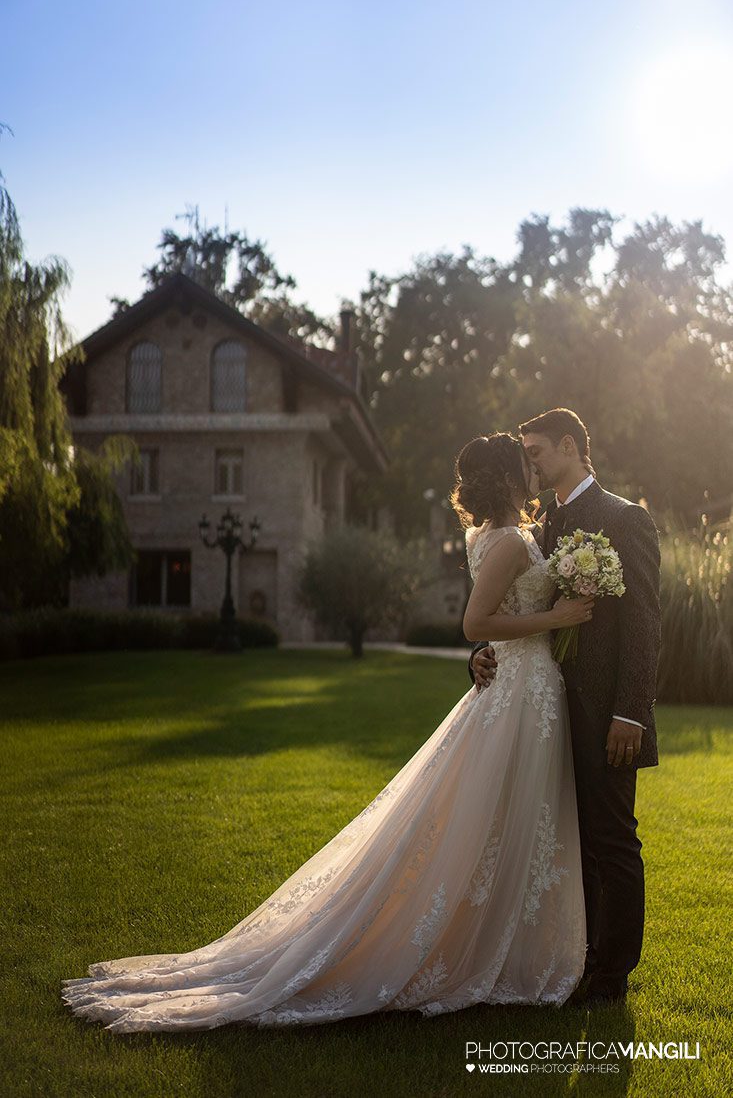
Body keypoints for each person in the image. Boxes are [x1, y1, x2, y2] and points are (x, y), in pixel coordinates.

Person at [61, 432, 591, 1033]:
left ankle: (501, 939)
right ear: (506, 475)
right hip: (520, 693)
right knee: (496, 823)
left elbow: (491, 624)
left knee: (511, 824)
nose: (532, 465)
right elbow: (476, 620)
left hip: (527, 690)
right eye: (524, 459)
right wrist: (560, 615)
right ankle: (472, 950)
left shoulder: (501, 536)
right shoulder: (510, 542)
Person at [469, 408, 661, 1006]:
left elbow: (645, 624)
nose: (531, 463)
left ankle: (610, 977)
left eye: (538, 451)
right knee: (568, 841)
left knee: (611, 838)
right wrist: (481, 652)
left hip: (608, 715)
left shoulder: (625, 519)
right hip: (542, 709)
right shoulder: (540, 525)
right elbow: (508, 607)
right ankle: (577, 957)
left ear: (572, 446)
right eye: (526, 454)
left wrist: (631, 711)